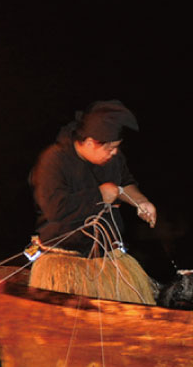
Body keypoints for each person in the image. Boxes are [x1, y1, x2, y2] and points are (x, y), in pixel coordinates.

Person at [26, 100, 159, 303]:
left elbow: (124, 184)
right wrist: (99, 195)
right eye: (110, 149)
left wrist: (141, 201)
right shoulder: (53, 160)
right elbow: (56, 208)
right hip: (65, 261)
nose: (114, 153)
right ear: (89, 142)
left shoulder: (112, 159)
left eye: (116, 148)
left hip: (107, 259)